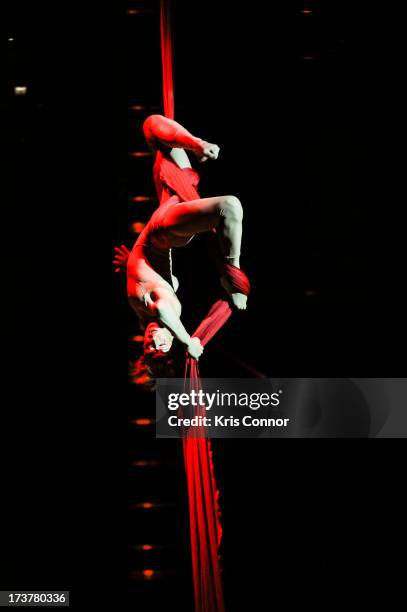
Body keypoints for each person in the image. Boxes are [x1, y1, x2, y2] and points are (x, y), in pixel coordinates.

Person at [114, 114, 249, 387]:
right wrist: (189, 341)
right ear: (171, 344)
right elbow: (161, 301)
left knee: (152, 127)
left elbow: (159, 302)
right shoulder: (158, 310)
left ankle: (197, 145)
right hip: (165, 226)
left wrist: (188, 341)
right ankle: (232, 272)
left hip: (160, 227)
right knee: (229, 207)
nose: (153, 342)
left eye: (147, 348)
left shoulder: (149, 313)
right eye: (159, 348)